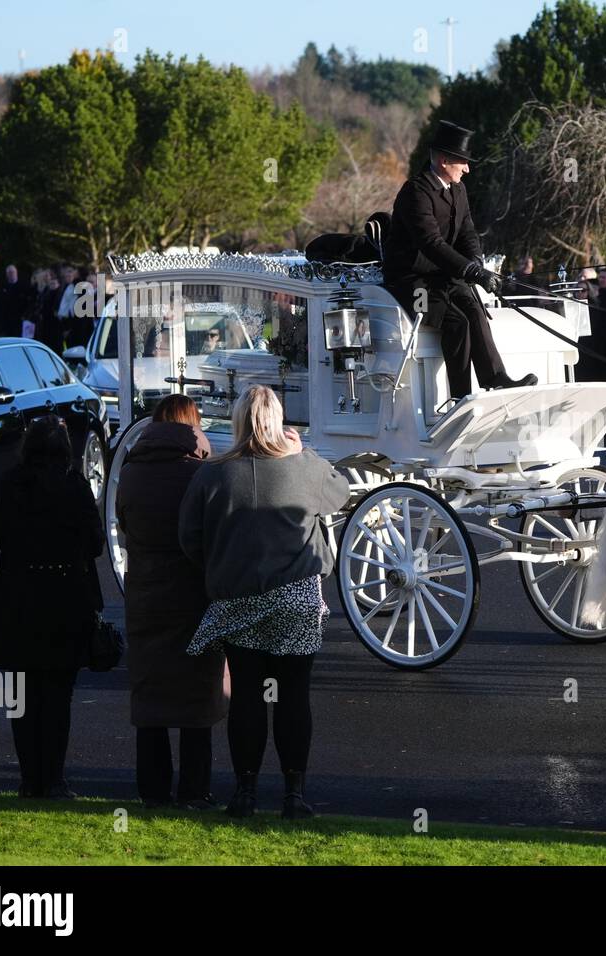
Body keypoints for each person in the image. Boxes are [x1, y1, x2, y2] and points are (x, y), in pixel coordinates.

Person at [179, 385, 351, 818]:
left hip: (236, 593)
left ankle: (245, 792)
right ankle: (294, 794)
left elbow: (189, 538)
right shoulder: (301, 469)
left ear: (238, 421)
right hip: (297, 593)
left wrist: (219, 565)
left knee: (249, 697)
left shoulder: (213, 474)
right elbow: (341, 493)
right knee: (294, 695)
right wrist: (304, 451)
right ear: (277, 421)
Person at [116, 395, 228, 809]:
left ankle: (153, 790)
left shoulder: (130, 473)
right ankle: (195, 791)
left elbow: (125, 526)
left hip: (146, 594)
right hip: (192, 594)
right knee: (196, 699)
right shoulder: (200, 474)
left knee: (151, 697)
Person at [0, 416, 104, 799]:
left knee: (23, 694)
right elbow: (95, 543)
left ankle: (29, 777)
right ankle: (53, 777)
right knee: (57, 694)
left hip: (20, 594)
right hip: (65, 594)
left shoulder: (7, 486)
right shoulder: (74, 485)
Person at [381, 120, 537, 398]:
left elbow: (467, 232)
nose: (467, 168)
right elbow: (431, 244)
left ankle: (496, 378)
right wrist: (472, 272)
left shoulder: (459, 190)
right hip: (411, 280)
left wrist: (476, 262)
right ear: (444, 161)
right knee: (457, 322)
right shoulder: (415, 192)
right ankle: (460, 397)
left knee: (475, 311)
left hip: (444, 275)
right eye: (462, 162)